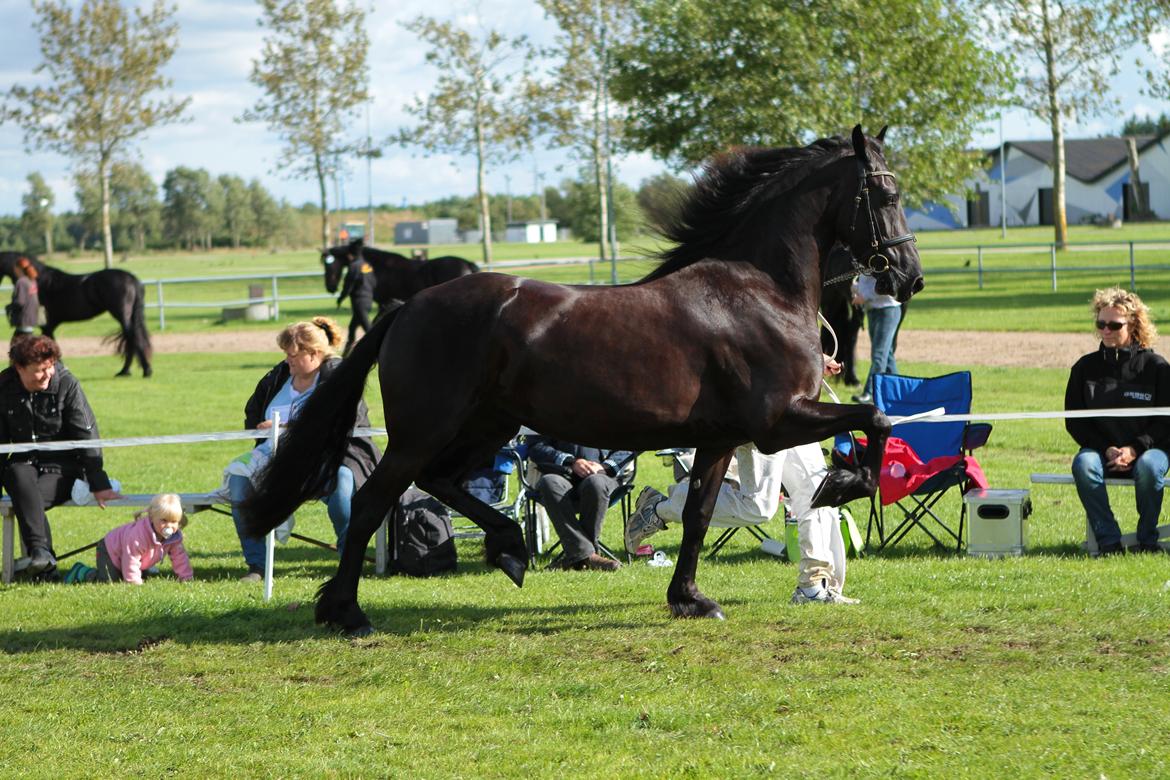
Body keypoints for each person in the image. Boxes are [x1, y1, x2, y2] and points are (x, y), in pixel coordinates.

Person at [625, 356, 857, 604]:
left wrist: (812, 357)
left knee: (819, 491)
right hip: (758, 409)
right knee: (758, 506)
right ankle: (660, 508)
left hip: (794, 404)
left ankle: (814, 587)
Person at [225, 317, 380, 582]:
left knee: (342, 481)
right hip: (275, 457)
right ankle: (257, 566)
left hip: (327, 457)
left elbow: (346, 420)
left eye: (293, 355)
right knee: (239, 482)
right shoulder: (279, 376)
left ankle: (349, 560)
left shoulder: (338, 376)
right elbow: (253, 413)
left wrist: (288, 427)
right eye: (286, 354)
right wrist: (262, 430)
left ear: (314, 353)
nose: (288, 360)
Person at [0, 334, 122, 578]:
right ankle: (42, 557)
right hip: (23, 465)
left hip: (63, 468)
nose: (48, 374)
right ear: (19, 368)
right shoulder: (4, 386)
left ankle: (42, 559)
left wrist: (98, 481)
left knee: (27, 498)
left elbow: (86, 434)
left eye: (51, 366)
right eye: (40, 370)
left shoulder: (67, 383)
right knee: (16, 473)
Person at [1065, 287, 1170, 555]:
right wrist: (1106, 448)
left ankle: (1147, 541)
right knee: (1083, 464)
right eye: (1101, 324)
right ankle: (1109, 542)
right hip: (1101, 452)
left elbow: (1166, 423)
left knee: (1149, 467)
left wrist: (1134, 449)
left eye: (1114, 325)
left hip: (1149, 451)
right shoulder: (1084, 368)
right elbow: (1075, 422)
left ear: (1133, 325)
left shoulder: (1157, 367)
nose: (1106, 330)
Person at [528, 437, 634, 572]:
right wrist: (571, 461)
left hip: (603, 476)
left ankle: (576, 557)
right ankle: (588, 557)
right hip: (561, 473)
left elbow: (629, 444)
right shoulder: (549, 421)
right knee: (548, 482)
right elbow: (536, 447)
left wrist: (605, 467)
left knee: (595, 483)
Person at [63, 493, 193, 584]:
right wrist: (133, 583)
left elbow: (180, 558)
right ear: (152, 517)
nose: (169, 526)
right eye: (164, 520)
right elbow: (131, 557)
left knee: (132, 574)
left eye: (173, 522)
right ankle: (82, 571)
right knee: (109, 580)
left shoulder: (174, 538)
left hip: (133, 558)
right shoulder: (139, 536)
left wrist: (186, 577)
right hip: (110, 550)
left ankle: (134, 573)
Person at [852, 273, 902, 403]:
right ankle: (899, 392)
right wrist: (855, 288)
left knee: (879, 355)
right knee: (887, 355)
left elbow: (887, 284)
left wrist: (864, 296)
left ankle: (870, 393)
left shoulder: (880, 263)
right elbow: (867, 284)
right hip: (873, 310)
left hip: (888, 311)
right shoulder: (865, 264)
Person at [338, 253, 377, 356]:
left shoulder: (353, 266)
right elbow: (373, 281)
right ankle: (346, 354)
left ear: (350, 255)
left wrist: (341, 297)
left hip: (359, 301)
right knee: (352, 328)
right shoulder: (367, 265)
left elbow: (348, 285)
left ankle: (377, 351)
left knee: (368, 329)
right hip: (368, 299)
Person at [7, 257, 39, 338]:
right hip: (31, 318)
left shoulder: (21, 282)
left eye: (15, 268)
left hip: (24, 320)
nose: (14, 270)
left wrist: (9, 307)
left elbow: (20, 302)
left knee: (18, 343)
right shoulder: (32, 280)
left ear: (19, 269)